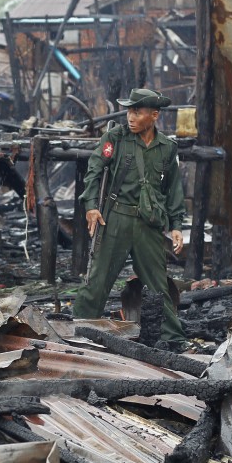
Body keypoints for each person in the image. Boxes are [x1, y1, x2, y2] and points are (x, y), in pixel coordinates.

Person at [73, 88, 188, 350]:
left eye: (137, 111)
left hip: (149, 225)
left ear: (154, 115)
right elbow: (94, 172)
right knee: (98, 281)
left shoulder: (167, 148)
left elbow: (173, 190)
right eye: (129, 110)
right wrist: (91, 206)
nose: (130, 117)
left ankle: (172, 338)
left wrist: (177, 226)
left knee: (158, 286)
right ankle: (77, 330)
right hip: (116, 221)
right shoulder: (115, 138)